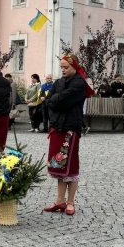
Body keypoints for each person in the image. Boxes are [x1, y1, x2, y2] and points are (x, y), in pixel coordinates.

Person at [43, 54, 93, 217]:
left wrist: (55, 100)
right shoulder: (59, 82)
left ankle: (70, 201)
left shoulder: (79, 83)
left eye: (66, 67)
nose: (63, 70)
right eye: (61, 67)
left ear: (74, 66)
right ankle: (59, 200)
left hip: (71, 127)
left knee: (70, 165)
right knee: (58, 164)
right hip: (58, 126)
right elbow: (49, 101)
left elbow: (61, 100)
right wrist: (55, 100)